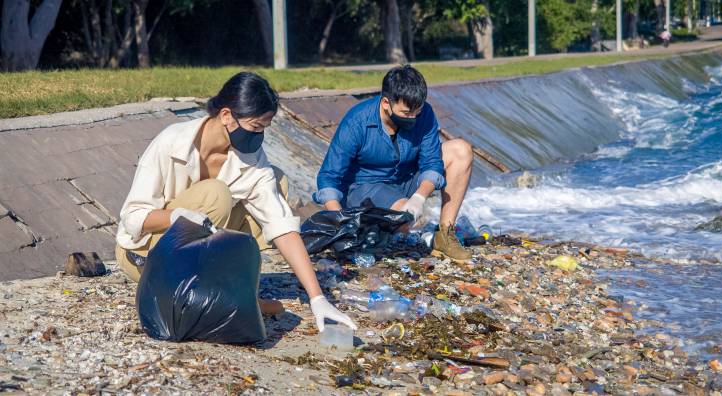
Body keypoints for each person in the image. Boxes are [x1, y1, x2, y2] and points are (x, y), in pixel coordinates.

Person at [115, 72, 356, 333]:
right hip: (146, 254)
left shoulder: (249, 156)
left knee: (276, 181)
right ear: (227, 115)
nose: (259, 135)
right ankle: (210, 290)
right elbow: (133, 216)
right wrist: (176, 217)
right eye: (255, 127)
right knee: (216, 194)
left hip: (198, 252)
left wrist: (317, 297)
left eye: (265, 128)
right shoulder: (171, 142)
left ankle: (217, 288)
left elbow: (280, 224)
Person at [313, 65, 474, 262]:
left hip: (405, 179)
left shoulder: (425, 114)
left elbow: (431, 162)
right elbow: (329, 176)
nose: (413, 117)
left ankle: (445, 235)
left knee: (460, 150)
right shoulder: (357, 121)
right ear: (386, 103)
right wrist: (339, 220)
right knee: (403, 220)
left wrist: (419, 197)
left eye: (418, 111)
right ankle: (366, 230)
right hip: (364, 189)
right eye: (406, 112)